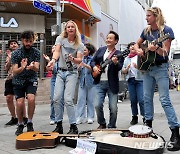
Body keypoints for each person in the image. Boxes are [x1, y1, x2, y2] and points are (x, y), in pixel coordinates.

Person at [134, 7, 180, 151]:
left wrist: (157, 49)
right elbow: (136, 44)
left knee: (164, 99)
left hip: (160, 68)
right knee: (146, 98)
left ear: (155, 16)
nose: (146, 18)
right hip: (147, 68)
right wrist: (139, 50)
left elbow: (165, 52)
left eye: (148, 16)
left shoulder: (167, 31)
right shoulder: (146, 31)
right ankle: (148, 127)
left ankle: (175, 132)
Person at [47, 20, 84, 134]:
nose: (70, 28)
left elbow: (79, 60)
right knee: (56, 98)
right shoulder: (60, 39)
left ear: (75, 29)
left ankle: (73, 126)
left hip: (72, 73)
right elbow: (57, 51)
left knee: (68, 100)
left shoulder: (80, 44)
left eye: (72, 27)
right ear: (66, 29)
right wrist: (53, 60)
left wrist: (73, 59)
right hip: (60, 72)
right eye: (68, 27)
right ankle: (59, 125)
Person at [90, 30, 124, 129]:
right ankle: (102, 123)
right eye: (107, 38)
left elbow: (120, 67)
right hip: (99, 82)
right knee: (97, 105)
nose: (108, 40)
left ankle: (112, 125)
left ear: (116, 41)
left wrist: (115, 62)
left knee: (113, 108)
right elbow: (93, 61)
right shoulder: (101, 50)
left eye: (110, 38)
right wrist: (94, 67)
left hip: (112, 83)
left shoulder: (119, 53)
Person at [11, 31, 40, 136]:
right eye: (26, 41)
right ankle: (20, 123)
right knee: (20, 103)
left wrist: (32, 67)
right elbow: (14, 71)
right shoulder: (16, 53)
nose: (28, 43)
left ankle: (30, 122)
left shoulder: (36, 52)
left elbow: (37, 68)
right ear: (22, 40)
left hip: (31, 79)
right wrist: (22, 67)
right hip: (18, 80)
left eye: (31, 41)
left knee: (31, 98)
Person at [4, 40, 28, 127]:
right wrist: (10, 59)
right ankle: (14, 118)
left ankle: (24, 118)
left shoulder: (22, 54)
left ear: (18, 45)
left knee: (20, 99)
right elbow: (6, 68)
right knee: (8, 98)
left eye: (15, 43)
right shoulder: (8, 56)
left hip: (20, 78)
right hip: (10, 78)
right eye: (11, 44)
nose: (13, 45)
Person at [122, 42, 144, 125]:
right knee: (133, 100)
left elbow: (144, 69)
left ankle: (145, 116)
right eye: (130, 46)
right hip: (130, 80)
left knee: (141, 99)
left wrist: (137, 67)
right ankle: (134, 116)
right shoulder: (126, 59)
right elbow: (123, 71)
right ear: (129, 49)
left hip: (140, 80)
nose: (132, 47)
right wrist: (126, 69)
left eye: (134, 46)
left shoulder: (140, 57)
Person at [76, 43, 96, 125]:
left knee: (90, 100)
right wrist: (79, 67)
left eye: (85, 50)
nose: (83, 52)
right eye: (82, 50)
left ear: (89, 51)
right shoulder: (81, 59)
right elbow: (78, 70)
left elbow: (93, 69)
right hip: (82, 82)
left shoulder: (93, 59)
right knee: (80, 100)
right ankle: (80, 117)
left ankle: (90, 117)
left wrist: (85, 65)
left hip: (91, 82)